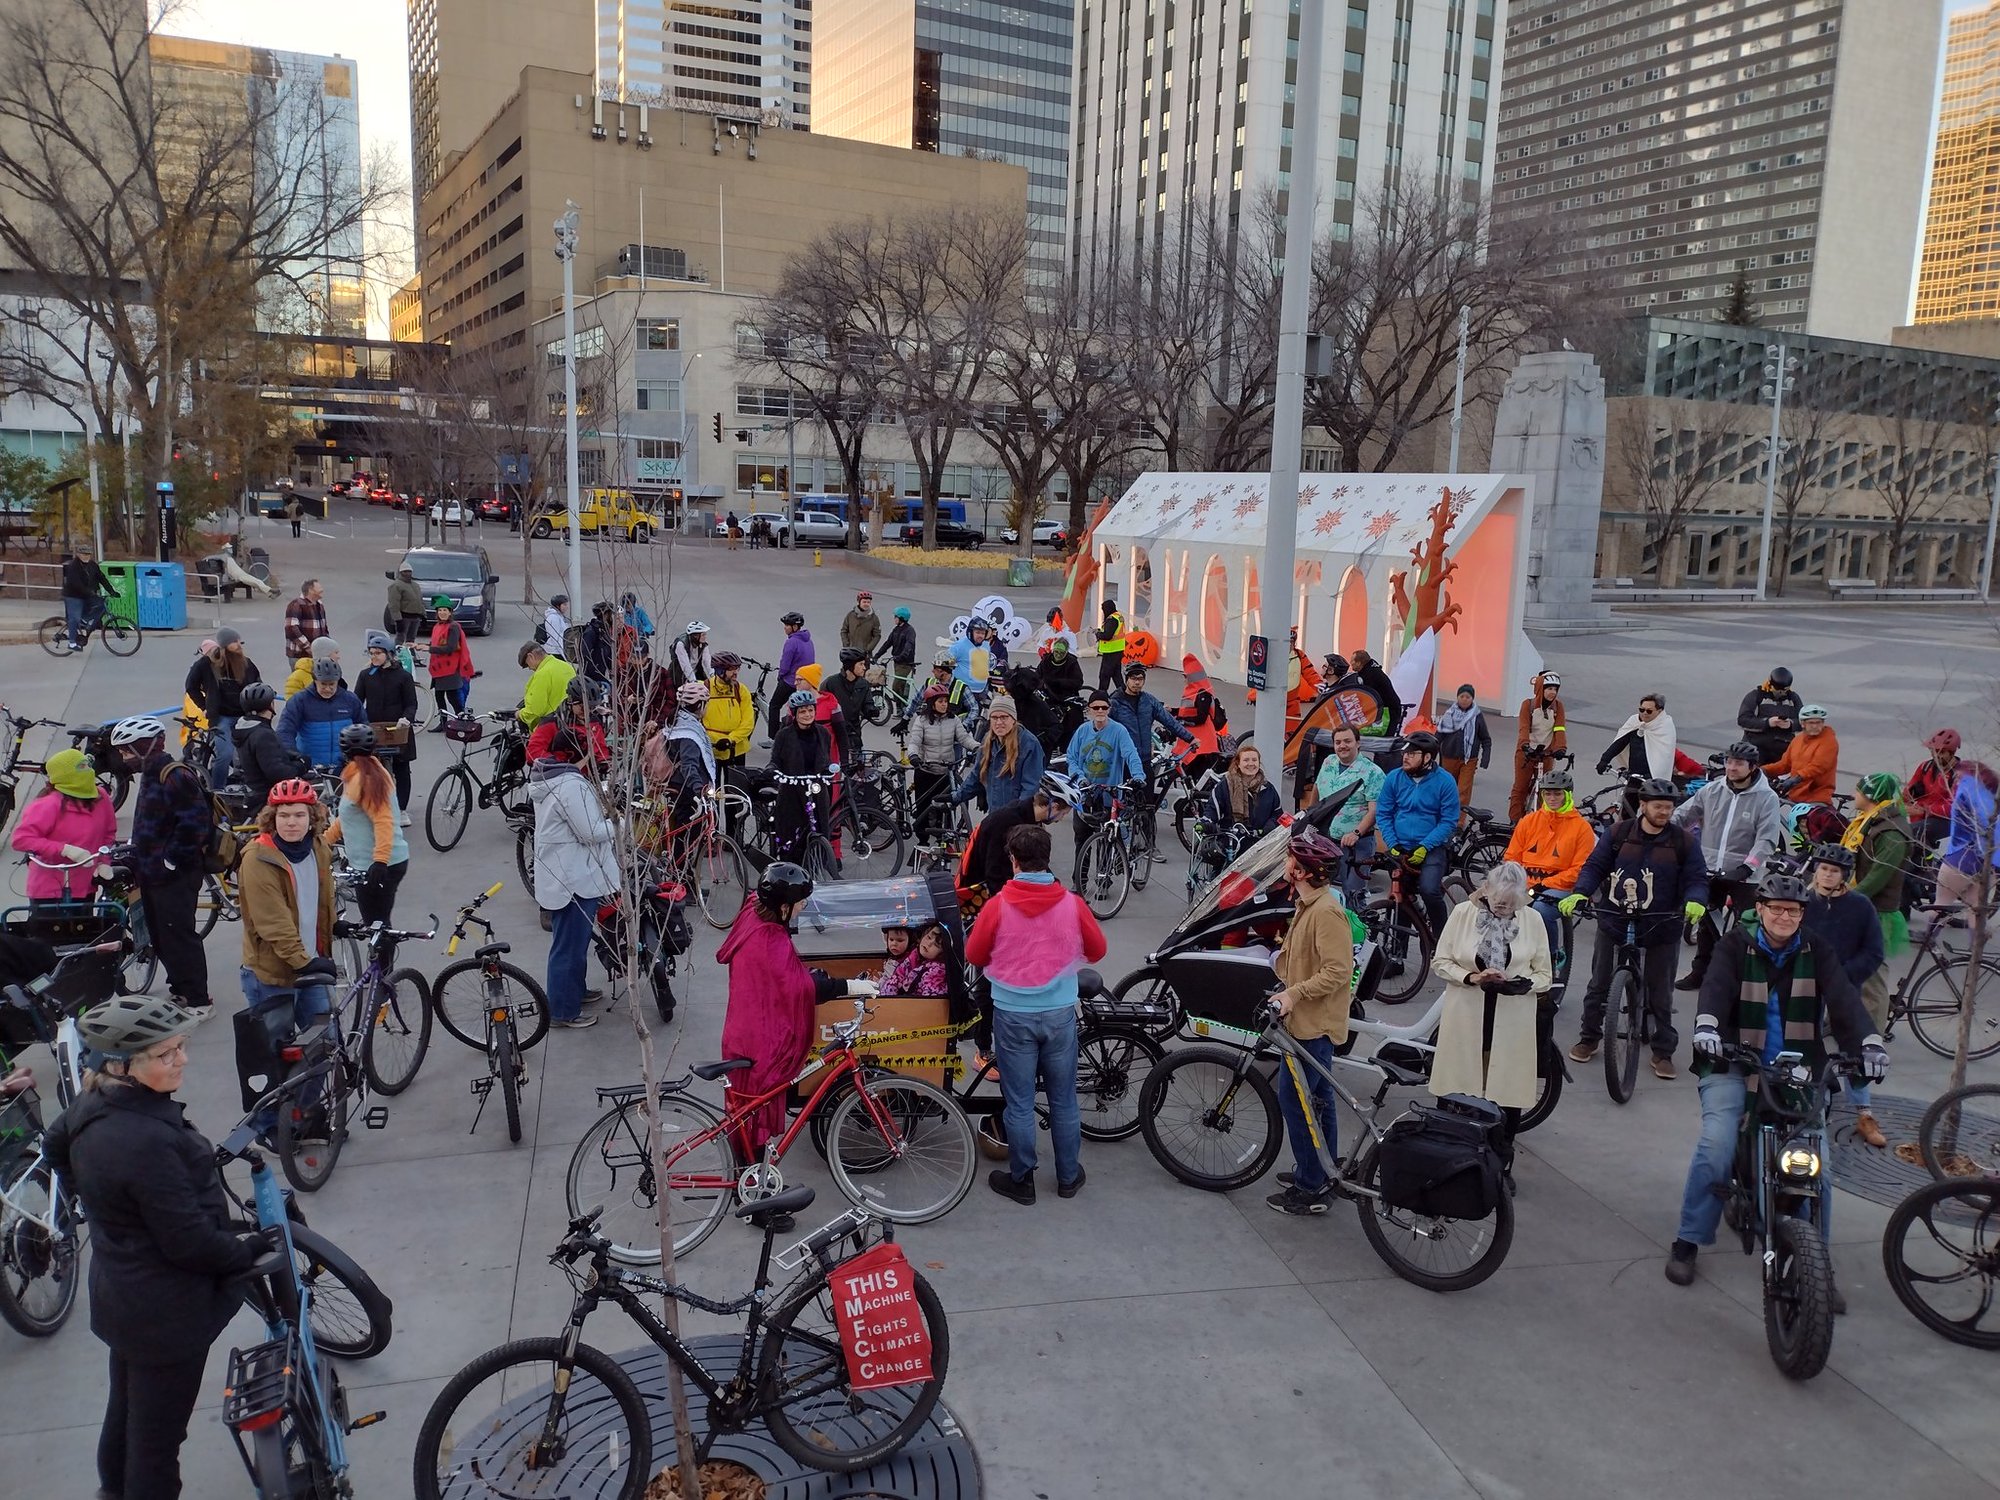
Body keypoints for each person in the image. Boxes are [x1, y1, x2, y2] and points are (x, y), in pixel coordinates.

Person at [42, 994, 266, 1500]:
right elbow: (189, 1243)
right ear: (121, 1064)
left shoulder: (92, 1102)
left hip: (123, 1296)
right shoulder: (146, 1141)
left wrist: (105, 1213)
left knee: (125, 1411)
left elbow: (55, 1146)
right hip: (166, 1313)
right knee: (158, 1441)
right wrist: (246, 1251)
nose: (182, 1060)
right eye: (166, 1055)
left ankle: (111, 1491)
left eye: (180, 1047)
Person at [1665, 870, 1884, 1298]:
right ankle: (1688, 1240)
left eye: (1794, 910)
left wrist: (1869, 1042)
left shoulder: (1816, 949)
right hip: (1733, 1060)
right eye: (1778, 909)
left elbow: (1843, 998)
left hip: (1798, 1068)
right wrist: (1708, 1026)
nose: (1785, 917)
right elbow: (1715, 987)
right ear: (1760, 910)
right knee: (1716, 1146)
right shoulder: (1735, 945)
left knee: (1815, 1165)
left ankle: (1815, 1261)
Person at [966, 822, 1107, 1204]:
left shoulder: (997, 906)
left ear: (1013, 861)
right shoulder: (1072, 904)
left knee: (1020, 1101)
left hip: (1012, 1015)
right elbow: (1097, 951)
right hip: (1059, 1013)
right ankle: (1067, 1177)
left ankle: (1022, 1179)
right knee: (1063, 1099)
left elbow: (975, 955)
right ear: (1047, 859)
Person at [719, 864, 869, 1183]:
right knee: (755, 1116)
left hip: (743, 1027)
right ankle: (754, 1194)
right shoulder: (770, 942)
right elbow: (801, 989)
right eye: (799, 904)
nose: (802, 909)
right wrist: (849, 987)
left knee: (745, 1113)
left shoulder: (755, 913)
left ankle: (743, 1180)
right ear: (784, 907)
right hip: (760, 1038)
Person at [1562, 778, 1709, 1079]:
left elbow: (1697, 877)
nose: (1664, 813)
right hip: (1615, 917)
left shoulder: (1683, 841)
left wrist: (1696, 900)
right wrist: (1581, 891)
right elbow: (1595, 866)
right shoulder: (1618, 834)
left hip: (1661, 922)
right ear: (1643, 806)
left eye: (1668, 808)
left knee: (1661, 991)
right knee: (1599, 984)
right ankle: (1589, 1037)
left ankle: (1663, 1050)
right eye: (1658, 807)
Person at [1430, 861, 1553, 1175]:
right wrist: (1471, 977)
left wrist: (1525, 985)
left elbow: (1544, 975)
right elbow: (1441, 962)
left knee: (1507, 1095)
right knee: (1458, 1088)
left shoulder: (1533, 920)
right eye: (1499, 901)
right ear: (1485, 891)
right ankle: (1449, 1155)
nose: (1503, 907)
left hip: (1512, 1021)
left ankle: (1500, 1165)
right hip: (1467, 1016)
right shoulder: (1462, 915)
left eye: (1511, 904)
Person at [1263, 828, 1358, 1216]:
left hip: (1312, 1025)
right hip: (1304, 1021)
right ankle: (1323, 1169)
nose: (1285, 865)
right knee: (1319, 1103)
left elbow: (1338, 970)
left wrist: (1293, 994)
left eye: (1290, 860)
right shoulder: (1309, 904)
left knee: (1298, 1102)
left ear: (1302, 871)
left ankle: (1310, 1187)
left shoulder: (1326, 913)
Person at [114, 716, 214, 1016]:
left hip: (175, 875)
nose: (123, 757)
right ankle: (181, 990)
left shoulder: (174, 776)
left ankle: (198, 999)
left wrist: (170, 861)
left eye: (127, 750)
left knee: (180, 935)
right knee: (162, 935)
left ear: (144, 747)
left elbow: (196, 825)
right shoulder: (151, 773)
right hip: (153, 873)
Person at [238, 778, 339, 1062]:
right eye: (283, 815)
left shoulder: (318, 847)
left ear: (312, 818)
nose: (290, 823)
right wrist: (305, 961)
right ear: (272, 818)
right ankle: (275, 1109)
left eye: (298, 815)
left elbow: (320, 896)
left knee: (324, 1045)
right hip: (273, 975)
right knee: (275, 1063)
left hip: (308, 962)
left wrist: (332, 926)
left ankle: (313, 1107)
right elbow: (273, 922)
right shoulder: (259, 859)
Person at [1670, 740, 1784, 991]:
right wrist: (1660, 828)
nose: (1731, 767)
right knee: (1706, 927)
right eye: (1729, 761)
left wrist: (1747, 867)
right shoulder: (1712, 790)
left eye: (1739, 763)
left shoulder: (1766, 798)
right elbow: (1684, 815)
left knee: (1748, 927)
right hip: (1710, 869)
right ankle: (1700, 973)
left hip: (1744, 875)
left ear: (1752, 767)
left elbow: (1766, 838)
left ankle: (1743, 979)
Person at [531, 727, 620, 1029]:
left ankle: (575, 992)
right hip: (573, 879)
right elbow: (589, 832)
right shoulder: (571, 785)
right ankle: (562, 1010)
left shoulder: (550, 777)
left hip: (563, 874)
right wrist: (617, 826)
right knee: (568, 945)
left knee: (573, 941)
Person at [1802, 844, 1887, 1148]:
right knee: (1802, 1040)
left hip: (1843, 984)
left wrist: (1844, 975)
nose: (1827, 875)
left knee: (1856, 1046)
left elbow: (1874, 951)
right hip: (1804, 982)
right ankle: (1806, 1099)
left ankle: (1864, 1112)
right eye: (1823, 869)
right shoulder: (1803, 901)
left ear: (1844, 876)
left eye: (1834, 870)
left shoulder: (1861, 906)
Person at [1844, 771, 1914, 1030]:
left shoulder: (1892, 833)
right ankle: (1844, 1020)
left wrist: (1848, 899)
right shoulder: (1870, 822)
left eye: (1859, 791)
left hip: (1879, 912)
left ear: (1871, 797)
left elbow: (1878, 877)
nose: (1854, 795)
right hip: (1865, 907)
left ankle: (1870, 1035)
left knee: (1872, 978)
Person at [1375, 730, 1460, 934]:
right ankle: (1398, 955)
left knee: (1429, 890)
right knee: (1402, 896)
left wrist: (1425, 846)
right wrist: (1392, 843)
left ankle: (1441, 940)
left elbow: (1449, 821)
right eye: (1405, 752)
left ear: (1427, 757)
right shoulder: (1394, 778)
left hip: (1431, 847)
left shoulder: (1445, 781)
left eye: (1412, 753)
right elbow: (1383, 813)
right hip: (1400, 846)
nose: (1405, 757)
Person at [1502, 768, 1596, 951]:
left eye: (1557, 794)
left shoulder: (1582, 828)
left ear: (1568, 795)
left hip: (1560, 886)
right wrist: (1515, 881)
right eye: (1548, 794)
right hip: (1525, 882)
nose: (1552, 798)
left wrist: (1545, 884)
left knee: (1541, 910)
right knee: (1493, 906)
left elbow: (1580, 869)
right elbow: (1511, 857)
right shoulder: (1528, 821)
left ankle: (1550, 955)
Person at [10, 748, 117, 909]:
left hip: (85, 885)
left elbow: (108, 834)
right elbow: (21, 839)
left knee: (86, 931)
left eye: (88, 766)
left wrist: (103, 861)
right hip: (49, 888)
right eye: (81, 767)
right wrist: (64, 850)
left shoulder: (101, 797)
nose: (89, 771)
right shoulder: (48, 804)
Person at [331, 727, 408, 925]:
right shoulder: (367, 771)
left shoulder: (366, 779)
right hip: (375, 862)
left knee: (376, 926)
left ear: (344, 752)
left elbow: (383, 820)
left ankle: (382, 957)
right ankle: (382, 956)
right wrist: (323, 841)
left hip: (378, 864)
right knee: (377, 924)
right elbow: (350, 816)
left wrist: (380, 860)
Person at [963, 774, 1076, 898]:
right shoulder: (1007, 822)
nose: (1062, 818)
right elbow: (994, 873)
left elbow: (1038, 864)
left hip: (1006, 885)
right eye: (1063, 813)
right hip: (982, 891)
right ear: (1054, 807)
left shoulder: (1029, 817)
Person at [1064, 691, 1144, 847]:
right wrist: (1079, 778)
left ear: (1109, 709)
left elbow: (1131, 754)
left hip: (1109, 794)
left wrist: (1138, 776)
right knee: (1081, 840)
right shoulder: (1082, 731)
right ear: (1089, 710)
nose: (1100, 711)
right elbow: (1071, 758)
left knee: (1107, 841)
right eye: (1096, 708)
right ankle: (1080, 872)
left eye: (1104, 707)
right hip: (1085, 794)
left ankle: (1111, 865)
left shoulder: (1119, 731)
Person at [1316, 723, 1385, 902]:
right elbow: (1317, 789)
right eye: (1338, 742)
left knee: (1353, 895)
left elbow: (1375, 810)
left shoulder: (1373, 772)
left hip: (1357, 843)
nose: (1342, 746)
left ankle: (1359, 928)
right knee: (1320, 892)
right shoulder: (1328, 762)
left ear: (1358, 743)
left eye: (1347, 741)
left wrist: (1355, 833)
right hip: (1327, 839)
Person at [355, 631, 420, 820]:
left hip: (398, 730)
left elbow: (411, 703)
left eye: (378, 653)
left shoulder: (403, 677)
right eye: (371, 653)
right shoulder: (366, 675)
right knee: (374, 770)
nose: (374, 657)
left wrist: (406, 718)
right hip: (374, 729)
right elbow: (357, 701)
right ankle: (377, 806)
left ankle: (401, 809)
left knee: (402, 769)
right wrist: (360, 722)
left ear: (389, 654)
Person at [188, 628, 262, 784]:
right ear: (224, 645)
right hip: (221, 717)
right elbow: (191, 686)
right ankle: (217, 790)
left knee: (256, 752)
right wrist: (204, 706)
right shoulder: (206, 664)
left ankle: (251, 785)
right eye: (234, 641)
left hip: (244, 716)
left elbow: (258, 685)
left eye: (239, 641)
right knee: (225, 754)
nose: (239, 644)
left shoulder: (246, 663)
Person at [770, 689, 835, 859]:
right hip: (792, 791)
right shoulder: (784, 735)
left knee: (820, 829)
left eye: (810, 710)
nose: (807, 715)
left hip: (816, 790)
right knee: (791, 837)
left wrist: (828, 770)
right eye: (802, 711)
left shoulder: (823, 733)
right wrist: (772, 770)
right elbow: (775, 760)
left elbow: (825, 759)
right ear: (795, 714)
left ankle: (818, 863)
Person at [956, 693, 1045, 814]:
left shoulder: (1029, 744)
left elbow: (1031, 787)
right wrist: (955, 797)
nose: (999, 722)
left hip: (1018, 820)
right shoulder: (988, 741)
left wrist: (1018, 815)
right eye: (994, 718)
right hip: (995, 816)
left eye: (1004, 717)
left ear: (1013, 719)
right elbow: (976, 776)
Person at [1935, 758, 2000, 918]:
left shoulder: (1970, 792)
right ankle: (1975, 943)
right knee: (1975, 909)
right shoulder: (1989, 795)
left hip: (1964, 856)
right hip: (1991, 861)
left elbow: (1980, 821)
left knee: (1941, 902)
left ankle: (1928, 938)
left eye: (1958, 777)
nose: (1956, 781)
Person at [229, 682, 307, 810]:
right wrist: (301, 765)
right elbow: (278, 773)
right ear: (270, 705)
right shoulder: (263, 735)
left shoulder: (245, 729)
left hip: (252, 793)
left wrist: (286, 754)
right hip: (267, 799)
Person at [911, 684, 974, 836]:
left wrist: (978, 748)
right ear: (932, 703)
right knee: (923, 808)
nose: (944, 704)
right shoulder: (922, 720)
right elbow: (914, 742)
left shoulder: (953, 720)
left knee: (944, 807)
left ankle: (943, 837)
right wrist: (914, 756)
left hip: (946, 771)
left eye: (946, 701)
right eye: (940, 701)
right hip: (925, 770)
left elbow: (964, 739)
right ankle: (923, 841)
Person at [278, 658, 364, 768]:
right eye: (323, 684)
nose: (328, 689)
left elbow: (363, 726)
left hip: (345, 767)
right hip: (311, 768)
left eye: (332, 684)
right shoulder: (299, 701)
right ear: (315, 680)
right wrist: (294, 755)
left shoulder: (350, 700)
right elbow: (285, 731)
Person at [1510, 671, 1568, 821]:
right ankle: (1515, 820)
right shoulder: (1528, 705)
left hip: (1546, 753)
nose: (1552, 692)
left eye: (1555, 689)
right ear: (1541, 688)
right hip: (1526, 752)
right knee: (1521, 787)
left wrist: (1561, 747)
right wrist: (1525, 745)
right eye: (1549, 688)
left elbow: (1559, 728)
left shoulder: (1558, 707)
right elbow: (1523, 727)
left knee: (1546, 788)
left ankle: (1543, 820)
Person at [1203, 742, 1283, 839]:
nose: (1251, 764)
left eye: (1254, 760)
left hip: (1260, 842)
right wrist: (1206, 823)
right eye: (1246, 760)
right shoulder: (1224, 786)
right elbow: (1212, 809)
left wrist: (1269, 827)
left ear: (1259, 763)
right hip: (1231, 842)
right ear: (1238, 764)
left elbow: (1277, 814)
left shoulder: (1268, 788)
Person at [1765, 705, 1838, 806]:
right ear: (1802, 723)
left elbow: (1819, 766)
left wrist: (1796, 778)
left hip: (1817, 797)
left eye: (1819, 722)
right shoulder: (1797, 740)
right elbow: (1784, 765)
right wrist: (1763, 770)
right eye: (1811, 723)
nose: (1815, 726)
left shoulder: (1829, 741)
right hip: (1796, 795)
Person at [1596, 691, 1676, 782]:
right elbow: (1619, 743)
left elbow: (1665, 758)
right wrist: (1604, 760)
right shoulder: (1634, 722)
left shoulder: (1665, 726)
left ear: (1659, 711)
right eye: (1642, 710)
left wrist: (1651, 776)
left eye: (1649, 711)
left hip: (1652, 779)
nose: (1644, 713)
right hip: (1633, 774)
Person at [1906, 728, 1963, 852]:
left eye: (1941, 752)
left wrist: (1924, 810)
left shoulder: (1960, 775)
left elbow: (1952, 807)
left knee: (1910, 833)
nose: (1936, 756)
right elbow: (1907, 792)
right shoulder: (1925, 767)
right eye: (1933, 751)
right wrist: (1902, 805)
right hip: (1922, 816)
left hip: (1947, 821)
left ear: (1952, 753)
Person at [1436, 683, 1491, 811]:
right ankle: (1445, 817)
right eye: (1462, 696)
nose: (1465, 699)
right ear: (1457, 697)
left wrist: (1485, 758)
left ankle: (1459, 823)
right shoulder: (1449, 714)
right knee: (1446, 789)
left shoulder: (1477, 716)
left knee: (1463, 791)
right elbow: (1438, 736)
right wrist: (1430, 754)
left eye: (1468, 697)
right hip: (1449, 758)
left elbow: (1486, 739)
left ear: (1472, 699)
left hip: (1469, 760)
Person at [1735, 666, 1803, 769]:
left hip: (1783, 748)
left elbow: (1804, 721)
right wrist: (1768, 723)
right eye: (1777, 689)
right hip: (1757, 746)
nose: (1780, 693)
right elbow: (1743, 720)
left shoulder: (1793, 699)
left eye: (1784, 690)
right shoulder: (1756, 696)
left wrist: (1790, 724)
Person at [703, 652, 758, 768]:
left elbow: (748, 723)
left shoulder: (741, 690)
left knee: (735, 785)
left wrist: (731, 740)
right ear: (720, 671)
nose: (736, 673)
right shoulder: (705, 688)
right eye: (731, 670)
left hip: (736, 749)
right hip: (711, 748)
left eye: (737, 669)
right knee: (712, 786)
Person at [426, 596, 475, 723]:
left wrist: (429, 649)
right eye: (440, 610)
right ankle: (445, 722)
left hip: (450, 668)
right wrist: (421, 646)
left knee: (452, 696)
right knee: (440, 696)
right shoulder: (437, 626)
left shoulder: (453, 627)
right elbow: (434, 644)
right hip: (440, 668)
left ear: (450, 612)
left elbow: (450, 648)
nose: (442, 613)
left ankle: (461, 719)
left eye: (445, 610)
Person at [61, 543, 114, 650]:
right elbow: (76, 584)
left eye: (88, 554)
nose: (86, 556)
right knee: (74, 617)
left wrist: (111, 591)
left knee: (101, 603)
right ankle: (71, 643)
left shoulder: (92, 565)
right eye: (84, 554)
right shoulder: (73, 566)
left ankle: (86, 621)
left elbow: (101, 578)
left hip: (86, 594)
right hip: (73, 595)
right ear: (78, 554)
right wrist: (88, 592)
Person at [828, 648, 874, 769]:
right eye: (861, 664)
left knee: (859, 770)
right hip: (835, 735)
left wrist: (870, 709)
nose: (864, 668)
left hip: (854, 733)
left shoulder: (863, 684)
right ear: (850, 666)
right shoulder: (831, 683)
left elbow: (867, 703)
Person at [772, 610, 816, 736]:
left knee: (774, 706)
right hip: (805, 681)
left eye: (787, 625)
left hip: (791, 681)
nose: (785, 628)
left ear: (794, 627)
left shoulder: (791, 642)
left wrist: (780, 676)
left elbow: (785, 663)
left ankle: (774, 736)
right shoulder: (808, 640)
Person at [518, 639, 577, 728]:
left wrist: (520, 714)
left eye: (527, 665)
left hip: (548, 729)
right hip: (570, 724)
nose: (530, 668)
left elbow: (535, 710)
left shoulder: (542, 674)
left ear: (531, 656)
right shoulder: (566, 666)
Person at [884, 922, 953, 999]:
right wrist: (886, 999)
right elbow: (895, 979)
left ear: (943, 953)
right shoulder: (914, 957)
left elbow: (929, 1002)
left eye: (936, 945)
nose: (929, 944)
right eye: (929, 937)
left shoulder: (937, 971)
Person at [1346, 648, 1402, 736]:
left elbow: (1367, 696)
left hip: (1389, 711)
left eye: (1352, 661)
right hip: (1388, 708)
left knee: (1384, 738)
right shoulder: (1371, 670)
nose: (1350, 663)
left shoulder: (1370, 675)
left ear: (1359, 663)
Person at [951, 617, 998, 702]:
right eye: (977, 632)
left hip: (982, 691)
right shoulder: (959, 646)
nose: (980, 635)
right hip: (963, 691)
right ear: (970, 632)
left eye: (983, 633)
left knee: (979, 714)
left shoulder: (986, 645)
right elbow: (946, 664)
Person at [878, 605, 918, 703]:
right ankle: (901, 707)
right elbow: (888, 643)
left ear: (901, 618)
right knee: (900, 685)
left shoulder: (909, 631)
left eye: (895, 617)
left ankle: (902, 706)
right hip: (897, 662)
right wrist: (877, 656)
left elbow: (909, 645)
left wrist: (902, 656)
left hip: (905, 663)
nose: (894, 619)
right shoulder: (896, 629)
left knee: (896, 685)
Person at [283, 578, 329, 662]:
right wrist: (308, 647)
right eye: (319, 588)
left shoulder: (319, 605)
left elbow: (324, 629)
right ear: (311, 590)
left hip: (317, 655)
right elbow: (291, 629)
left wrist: (327, 645)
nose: (322, 590)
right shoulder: (296, 604)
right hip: (299, 656)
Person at [1037, 634, 1083, 702]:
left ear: (1066, 652)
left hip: (1065, 695)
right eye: (1056, 651)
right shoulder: (1046, 660)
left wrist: (1058, 682)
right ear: (1053, 650)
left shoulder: (1072, 662)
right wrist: (1043, 684)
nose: (1058, 655)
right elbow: (1037, 676)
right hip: (1047, 693)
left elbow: (1078, 682)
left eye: (1062, 653)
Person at [388, 564, 426, 646]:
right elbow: (394, 604)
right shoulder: (396, 585)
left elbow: (420, 601)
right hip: (404, 617)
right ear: (401, 573)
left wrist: (423, 615)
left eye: (409, 571)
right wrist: (398, 620)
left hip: (415, 617)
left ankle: (410, 654)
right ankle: (397, 653)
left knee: (411, 639)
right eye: (405, 571)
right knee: (400, 638)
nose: (408, 573)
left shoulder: (415, 585)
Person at [1094, 597, 1126, 691]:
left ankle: (1101, 695)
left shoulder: (1111, 619)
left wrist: (1098, 634)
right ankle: (1124, 694)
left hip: (1111, 651)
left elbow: (1107, 635)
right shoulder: (1119, 616)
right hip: (1118, 650)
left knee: (1104, 675)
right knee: (1116, 675)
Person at [841, 590, 882, 656]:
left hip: (865, 653)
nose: (866, 604)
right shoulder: (850, 615)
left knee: (864, 666)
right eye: (864, 602)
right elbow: (844, 631)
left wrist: (868, 649)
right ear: (859, 602)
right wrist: (846, 645)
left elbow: (877, 635)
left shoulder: (874, 618)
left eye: (868, 602)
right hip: (850, 652)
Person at [542, 594, 573, 659]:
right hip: (555, 652)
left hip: (557, 650)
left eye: (567, 604)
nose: (567, 607)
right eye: (564, 605)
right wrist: (564, 654)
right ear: (557, 606)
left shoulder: (559, 616)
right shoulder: (553, 618)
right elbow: (556, 638)